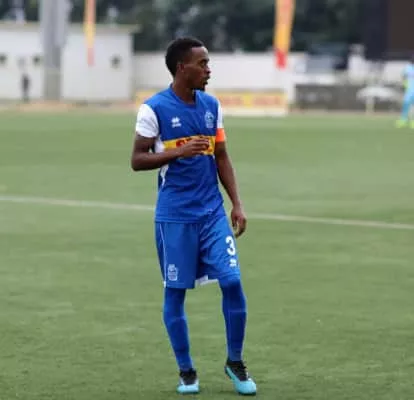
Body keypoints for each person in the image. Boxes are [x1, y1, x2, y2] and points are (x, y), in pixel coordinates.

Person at [130, 37, 257, 396]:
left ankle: (235, 362)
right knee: (175, 293)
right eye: (202, 64)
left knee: (232, 281)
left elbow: (222, 157)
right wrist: (178, 152)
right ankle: (186, 371)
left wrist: (237, 203)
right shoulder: (153, 109)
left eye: (208, 63)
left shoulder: (212, 106)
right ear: (181, 67)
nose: (208, 70)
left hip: (212, 212)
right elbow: (137, 160)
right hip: (175, 216)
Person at [396, 54, 414, 128]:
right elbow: (403, 77)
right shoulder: (408, 68)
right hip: (409, 90)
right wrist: (404, 84)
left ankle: (412, 122)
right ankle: (403, 120)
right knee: (406, 105)